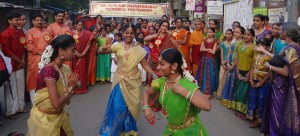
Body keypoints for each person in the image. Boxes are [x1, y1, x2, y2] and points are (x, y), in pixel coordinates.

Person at [98, 24, 157, 135]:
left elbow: (144, 65)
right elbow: (100, 52)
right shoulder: (117, 45)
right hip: (120, 80)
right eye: (126, 32)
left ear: (134, 34)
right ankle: (113, 130)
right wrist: (105, 47)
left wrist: (153, 74)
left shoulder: (139, 49)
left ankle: (128, 129)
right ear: (123, 33)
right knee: (118, 106)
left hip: (134, 82)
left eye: (131, 33)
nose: (129, 35)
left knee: (132, 108)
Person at [143, 48, 211, 135]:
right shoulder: (162, 82)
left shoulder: (187, 85)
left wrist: (182, 91)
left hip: (189, 132)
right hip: (171, 130)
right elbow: (147, 93)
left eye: (162, 64)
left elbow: (207, 106)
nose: (158, 67)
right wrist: (146, 107)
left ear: (174, 66)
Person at [27, 34, 79, 136]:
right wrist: (71, 86)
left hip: (59, 117)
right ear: (60, 51)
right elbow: (56, 104)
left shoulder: (64, 68)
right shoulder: (49, 71)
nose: (75, 53)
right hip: (46, 121)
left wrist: (75, 84)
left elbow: (71, 84)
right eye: (73, 50)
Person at [258, 22, 300, 136]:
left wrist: (269, 66)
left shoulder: (292, 48)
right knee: (275, 112)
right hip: (278, 85)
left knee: (277, 114)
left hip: (282, 87)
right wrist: (265, 52)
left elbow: (286, 72)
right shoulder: (288, 46)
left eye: (281, 30)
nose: (279, 32)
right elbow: (278, 58)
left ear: (286, 33)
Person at [144, 20, 178, 111]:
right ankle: (151, 102)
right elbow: (145, 39)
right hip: (154, 62)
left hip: (164, 62)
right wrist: (155, 35)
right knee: (153, 81)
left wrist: (170, 37)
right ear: (160, 26)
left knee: (163, 81)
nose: (164, 28)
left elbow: (176, 46)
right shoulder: (155, 36)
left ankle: (162, 102)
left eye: (166, 26)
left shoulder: (168, 37)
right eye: (163, 26)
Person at [0, 12, 26, 119]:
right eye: (16, 20)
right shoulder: (5, 34)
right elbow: (6, 51)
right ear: (9, 21)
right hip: (11, 64)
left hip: (20, 63)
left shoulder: (21, 32)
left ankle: (20, 107)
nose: (19, 21)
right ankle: (11, 111)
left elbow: (23, 47)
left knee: (20, 86)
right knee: (11, 88)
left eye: (19, 19)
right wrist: (19, 61)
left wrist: (23, 60)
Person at [26, 14, 52, 104]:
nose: (39, 22)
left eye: (40, 20)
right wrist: (42, 54)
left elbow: (50, 44)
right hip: (34, 60)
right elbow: (29, 46)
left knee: (46, 78)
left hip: (46, 59)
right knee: (34, 80)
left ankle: (46, 101)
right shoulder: (30, 32)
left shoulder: (47, 31)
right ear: (33, 21)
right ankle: (35, 104)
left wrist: (48, 55)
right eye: (37, 20)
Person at [231, 29, 256, 119]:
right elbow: (237, 58)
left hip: (248, 71)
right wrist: (237, 71)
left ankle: (245, 111)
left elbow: (254, 62)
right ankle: (238, 108)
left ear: (252, 37)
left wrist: (249, 74)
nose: (246, 36)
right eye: (245, 34)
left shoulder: (254, 47)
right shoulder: (240, 45)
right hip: (239, 70)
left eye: (248, 35)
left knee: (245, 93)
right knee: (238, 91)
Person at [247, 38, 272, 128]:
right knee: (253, 99)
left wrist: (261, 83)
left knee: (262, 101)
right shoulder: (256, 55)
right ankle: (252, 117)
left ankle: (260, 120)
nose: (260, 47)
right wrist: (250, 79)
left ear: (268, 47)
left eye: (263, 46)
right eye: (259, 45)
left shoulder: (269, 57)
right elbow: (252, 67)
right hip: (254, 80)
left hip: (263, 82)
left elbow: (269, 72)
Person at [221, 26, 245, 107]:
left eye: (238, 32)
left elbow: (238, 55)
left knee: (233, 83)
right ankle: (226, 99)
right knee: (228, 81)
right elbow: (229, 51)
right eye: (235, 32)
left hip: (236, 64)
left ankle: (231, 101)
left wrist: (233, 65)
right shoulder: (233, 40)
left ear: (242, 34)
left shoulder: (242, 42)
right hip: (229, 62)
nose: (235, 34)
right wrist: (228, 62)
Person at [195, 27, 218, 97]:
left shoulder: (215, 41)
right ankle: (201, 90)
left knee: (210, 75)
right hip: (204, 59)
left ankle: (208, 92)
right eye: (208, 32)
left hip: (211, 60)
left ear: (213, 33)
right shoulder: (204, 40)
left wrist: (205, 49)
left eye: (210, 32)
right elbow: (201, 49)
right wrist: (208, 49)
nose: (209, 33)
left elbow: (213, 52)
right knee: (202, 74)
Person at [72, 20, 92, 94]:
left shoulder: (87, 33)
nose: (80, 27)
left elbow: (89, 43)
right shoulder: (72, 34)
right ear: (75, 25)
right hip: (74, 56)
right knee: (76, 71)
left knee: (83, 71)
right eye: (78, 25)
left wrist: (84, 52)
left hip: (84, 56)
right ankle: (75, 88)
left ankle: (82, 88)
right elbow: (70, 45)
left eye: (81, 25)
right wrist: (76, 53)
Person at [216, 29, 234, 99]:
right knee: (221, 78)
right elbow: (222, 53)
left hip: (230, 62)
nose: (228, 35)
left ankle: (225, 95)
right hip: (223, 63)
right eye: (226, 34)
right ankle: (219, 93)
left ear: (232, 35)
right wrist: (222, 62)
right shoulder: (223, 43)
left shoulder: (233, 43)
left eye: (229, 34)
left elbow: (231, 54)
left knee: (227, 79)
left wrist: (227, 61)